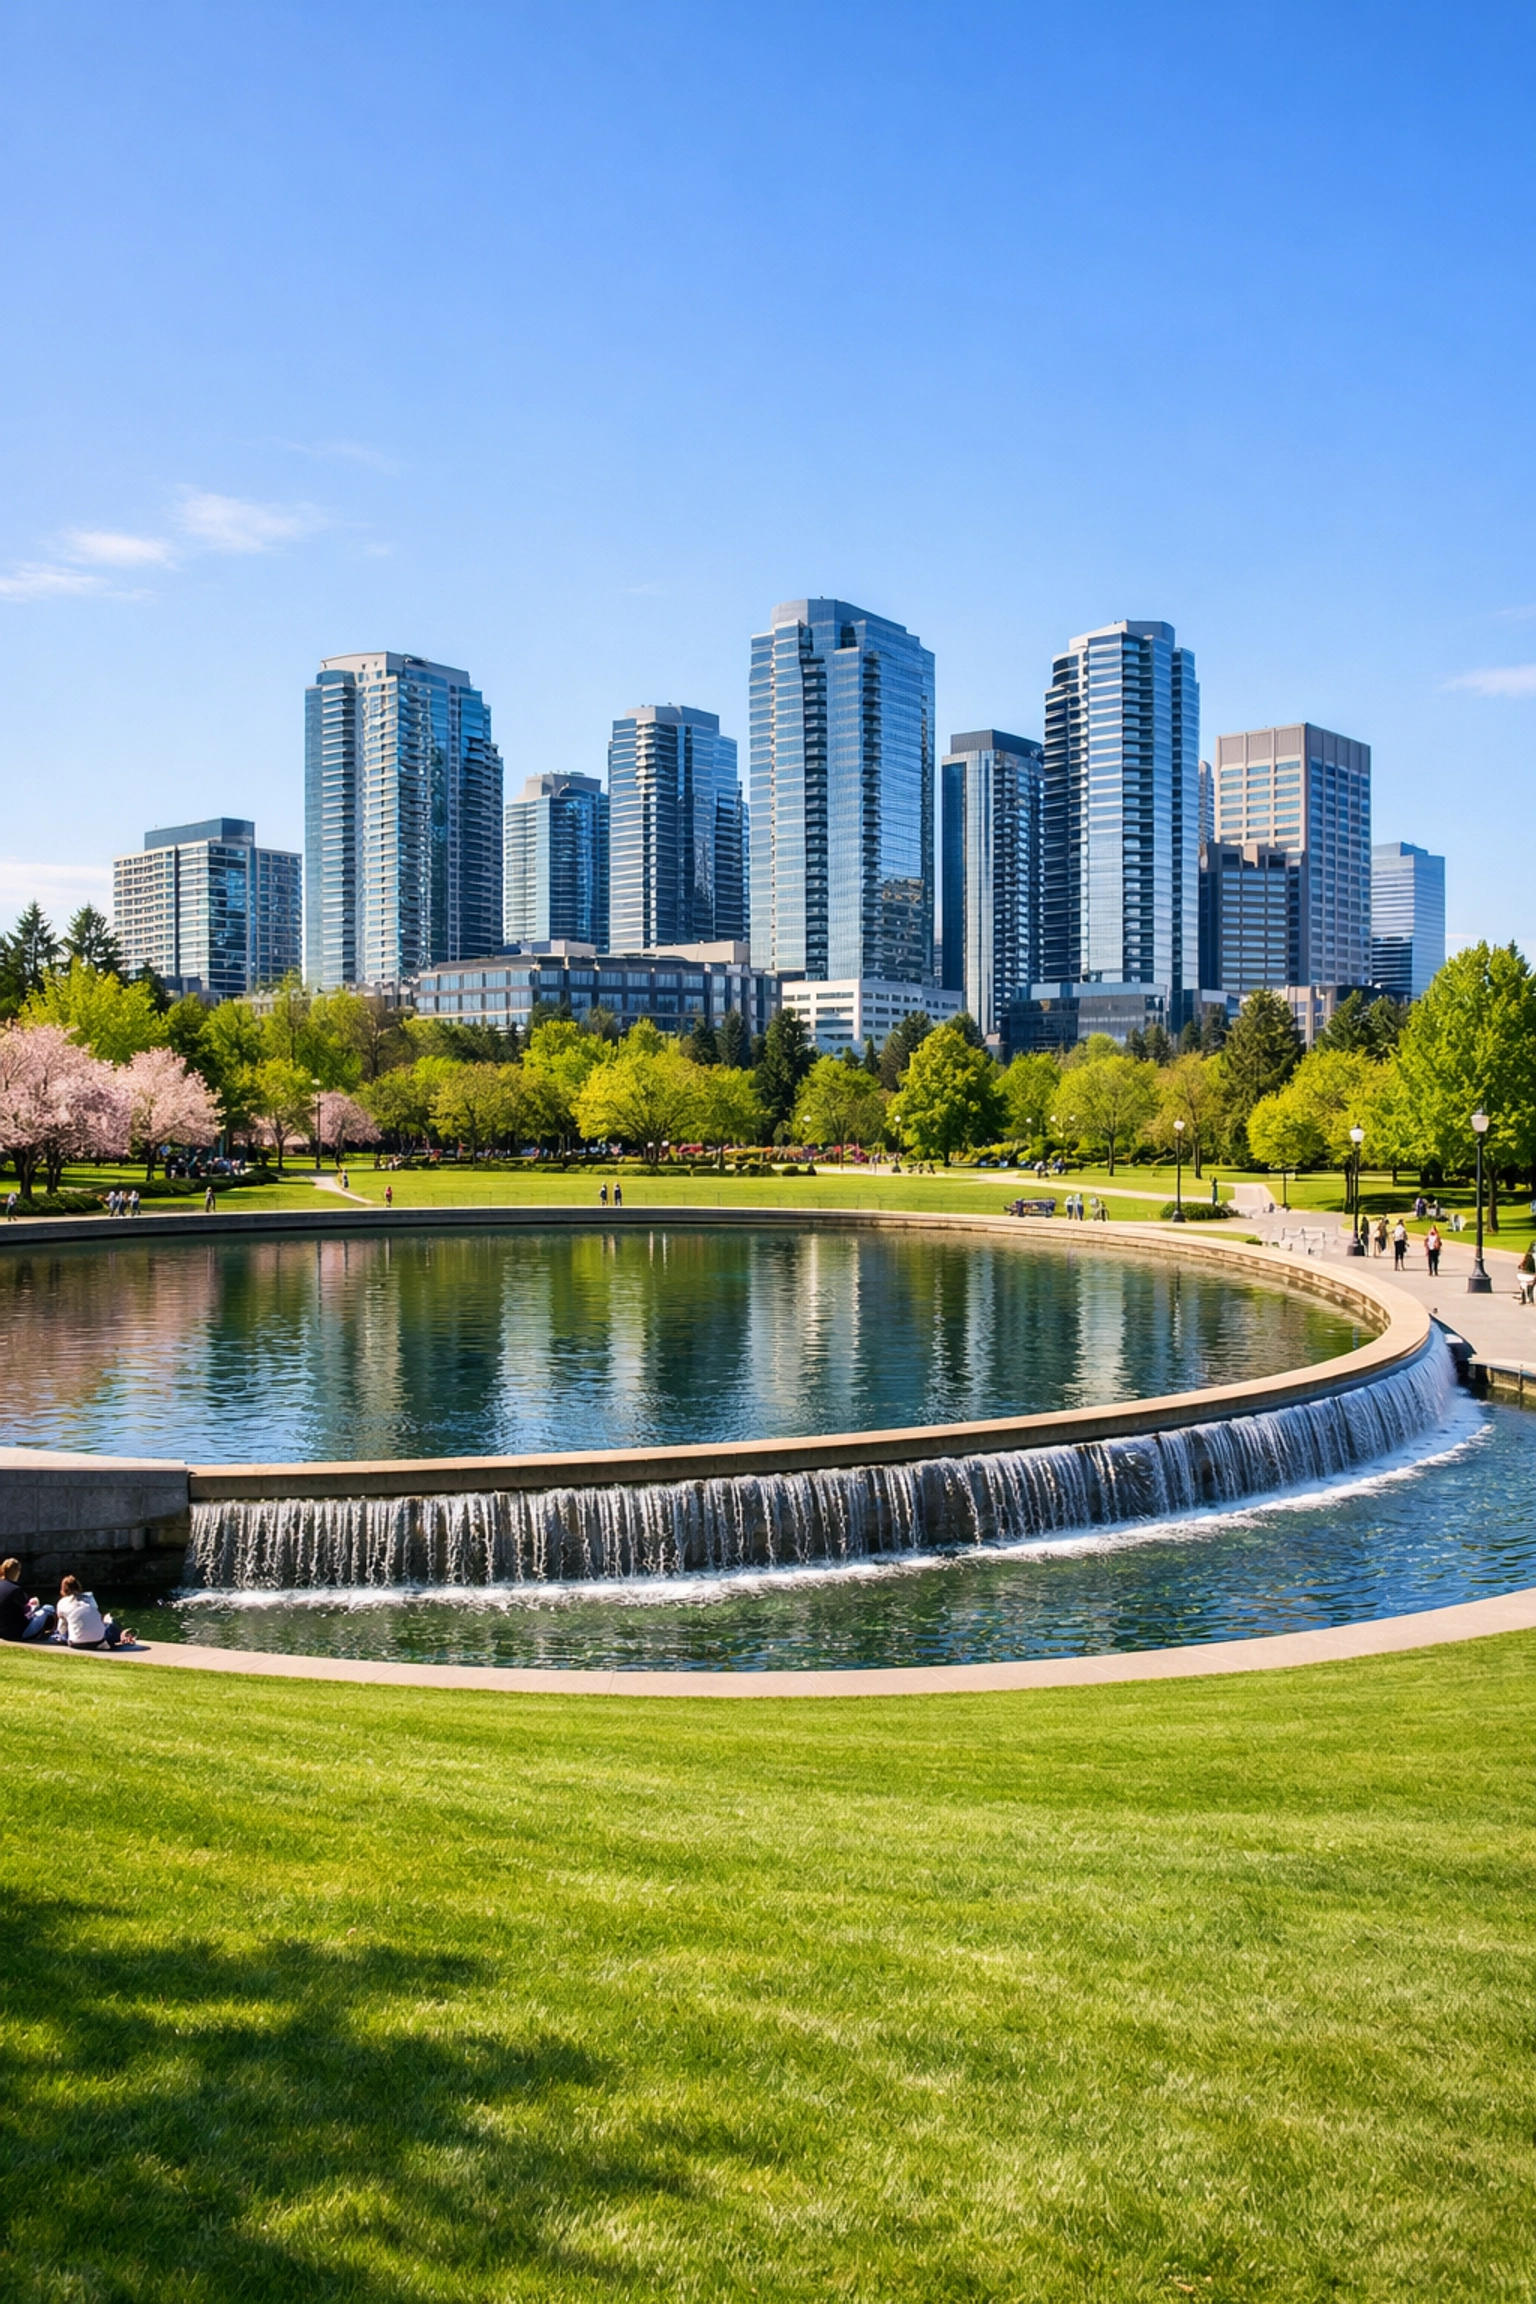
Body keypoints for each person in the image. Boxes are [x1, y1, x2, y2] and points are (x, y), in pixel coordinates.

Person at [54, 1576, 133, 1650]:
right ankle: (123, 1635)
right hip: (98, 1641)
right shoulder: (89, 1598)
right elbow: (95, 1616)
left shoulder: (62, 1602)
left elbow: (61, 1622)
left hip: (75, 1643)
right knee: (110, 1622)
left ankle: (60, 1637)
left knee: (64, 1622)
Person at [0, 1559, 56, 1642]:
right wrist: (35, 1603)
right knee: (48, 1608)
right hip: (19, 1633)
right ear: (17, 1572)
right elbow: (28, 1609)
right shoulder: (16, 1589)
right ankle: (56, 1634)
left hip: (3, 1632)